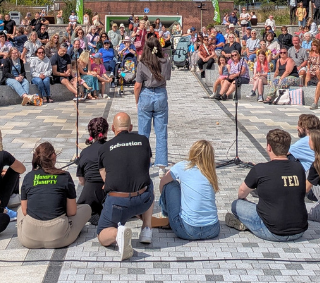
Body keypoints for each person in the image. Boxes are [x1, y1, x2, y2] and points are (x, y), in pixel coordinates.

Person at [226, 129, 307, 241]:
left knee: (236, 204)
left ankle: (249, 225)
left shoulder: (260, 169)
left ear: (269, 147)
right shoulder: (299, 168)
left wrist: (245, 200)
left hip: (272, 231)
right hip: (299, 230)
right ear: (288, 148)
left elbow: (241, 192)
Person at [97, 112, 155, 261]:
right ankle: (146, 229)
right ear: (130, 127)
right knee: (149, 182)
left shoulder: (105, 148)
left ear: (112, 128)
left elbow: (105, 179)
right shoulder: (143, 140)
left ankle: (118, 234)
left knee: (102, 234)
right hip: (142, 200)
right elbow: (145, 165)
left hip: (118, 203)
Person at [17, 142, 92, 249]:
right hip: (58, 237)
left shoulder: (29, 177)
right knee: (86, 208)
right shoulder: (64, 176)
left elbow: (25, 211)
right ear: (53, 156)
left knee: (20, 209)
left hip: (29, 238)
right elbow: (71, 212)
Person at [157, 139, 221, 241]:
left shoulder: (183, 166)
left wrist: (166, 202)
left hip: (188, 230)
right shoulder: (210, 172)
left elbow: (163, 182)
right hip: (213, 229)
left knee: (171, 184)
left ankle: (165, 215)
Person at [136, 35, 171, 171]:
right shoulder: (166, 61)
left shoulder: (142, 62)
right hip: (161, 93)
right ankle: (161, 164)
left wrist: (137, 100)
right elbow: (167, 77)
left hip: (146, 93)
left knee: (143, 132)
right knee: (161, 131)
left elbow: (137, 85)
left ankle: (143, 163)